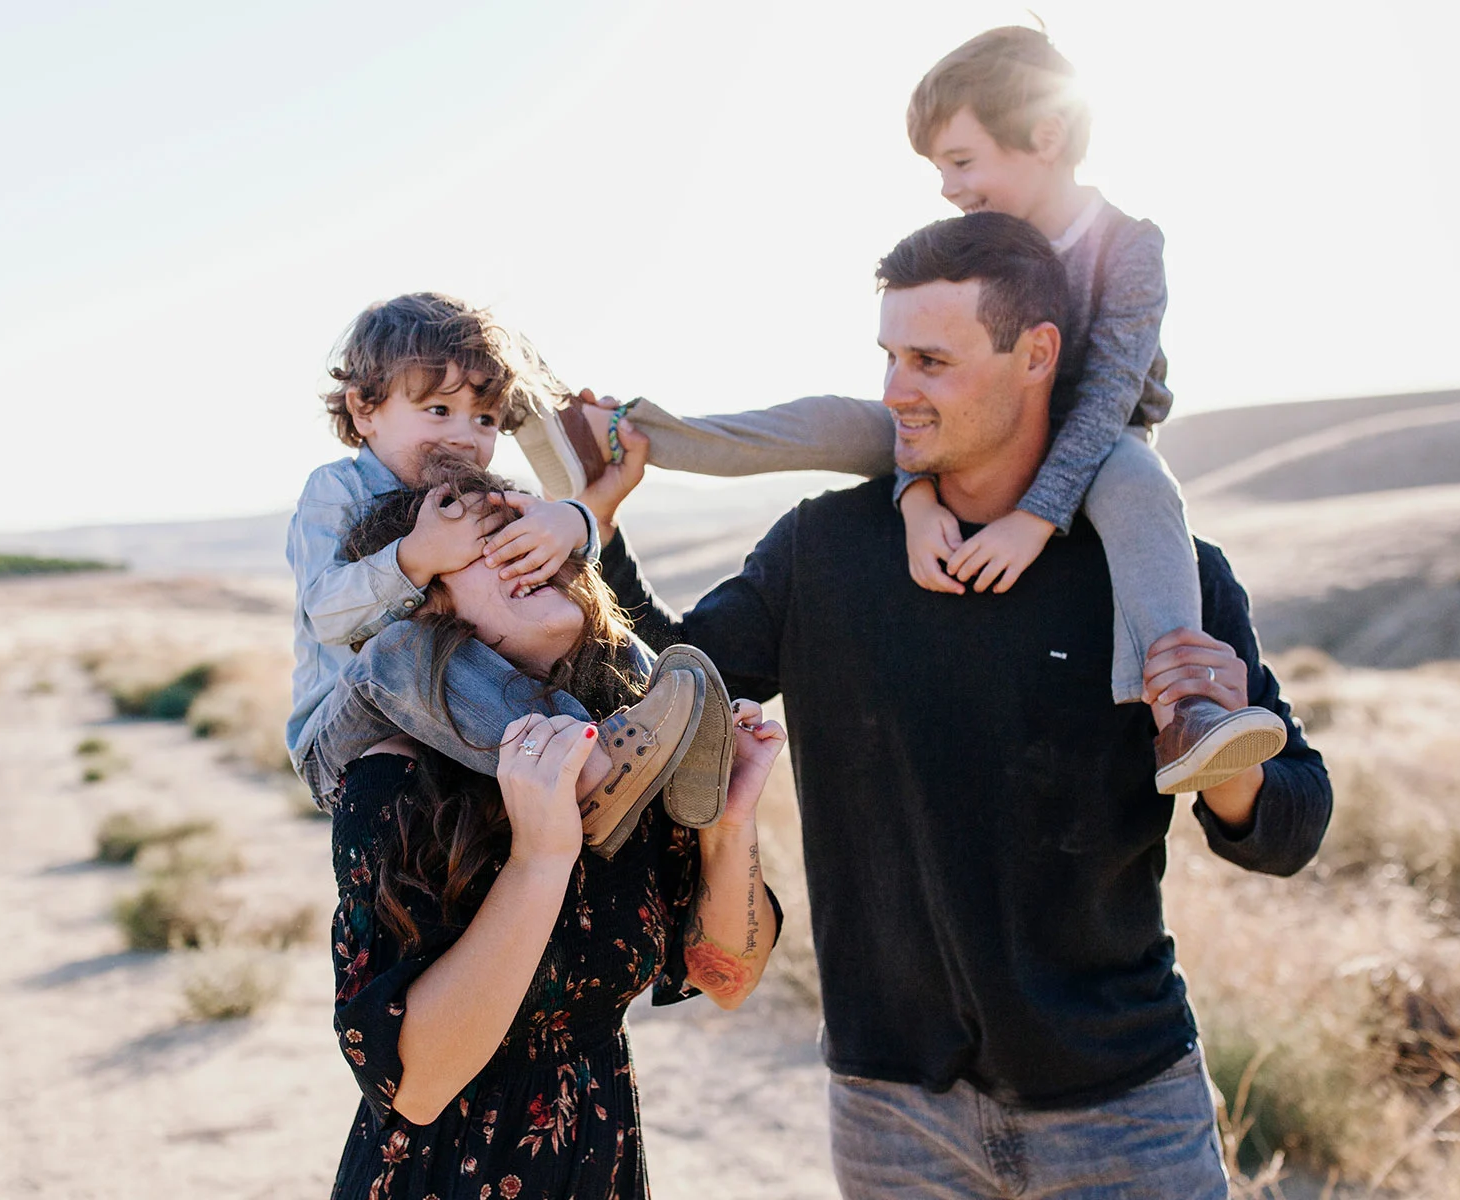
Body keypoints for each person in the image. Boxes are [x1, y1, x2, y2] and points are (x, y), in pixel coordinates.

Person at [571, 213, 1333, 1199]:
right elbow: (670, 680)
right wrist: (601, 523)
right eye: (889, 355)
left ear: (1037, 355)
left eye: (931, 359)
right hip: (892, 1117)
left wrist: (1232, 769)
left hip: (1126, 1110)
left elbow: (1291, 827)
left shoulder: (1157, 576)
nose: (895, 391)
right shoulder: (825, 552)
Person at [512, 26, 1286, 796]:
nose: (950, 187)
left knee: (1144, 487)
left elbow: (1108, 395)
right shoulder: (977, 248)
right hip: (966, 435)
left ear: (1046, 136)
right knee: (826, 419)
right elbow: (917, 397)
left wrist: (1035, 518)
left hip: (1100, 440)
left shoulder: (1127, 246)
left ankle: (1188, 708)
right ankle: (625, 432)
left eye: (961, 161)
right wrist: (913, 497)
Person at [322, 459, 787, 1200]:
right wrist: (541, 859)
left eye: (533, 533)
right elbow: (416, 1085)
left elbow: (724, 978)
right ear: (422, 606)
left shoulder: (632, 753)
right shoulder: (395, 781)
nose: (528, 554)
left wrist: (728, 828)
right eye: (486, 546)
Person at [285, 292, 733, 856]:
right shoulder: (336, 491)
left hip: (462, 704)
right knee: (402, 647)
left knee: (588, 620)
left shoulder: (475, 485)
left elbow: (552, 566)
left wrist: (572, 521)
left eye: (486, 418)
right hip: (345, 729)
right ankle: (588, 771)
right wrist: (417, 557)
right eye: (439, 410)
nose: (466, 435)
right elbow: (323, 613)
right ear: (364, 408)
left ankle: (677, 712)